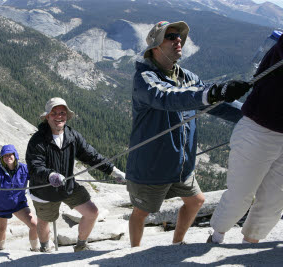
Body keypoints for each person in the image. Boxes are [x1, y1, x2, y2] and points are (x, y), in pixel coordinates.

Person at [125, 21, 251, 247]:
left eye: (179, 36)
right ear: (155, 46)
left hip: (181, 164)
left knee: (196, 201)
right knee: (142, 212)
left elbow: (216, 105)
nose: (178, 40)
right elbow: (168, 97)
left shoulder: (187, 77)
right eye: (171, 37)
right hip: (150, 165)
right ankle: (134, 253)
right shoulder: (144, 79)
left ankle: (177, 244)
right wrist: (212, 92)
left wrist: (254, 115)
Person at [208, 33, 283, 244]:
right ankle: (216, 238)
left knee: (274, 200)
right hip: (259, 129)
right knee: (241, 193)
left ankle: (250, 245)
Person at [26, 97, 126, 252]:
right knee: (45, 220)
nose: (59, 116)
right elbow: (35, 167)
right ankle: (45, 247)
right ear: (47, 117)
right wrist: (50, 175)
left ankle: (81, 245)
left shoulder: (72, 136)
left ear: (67, 116)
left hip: (67, 186)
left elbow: (91, 156)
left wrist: (113, 171)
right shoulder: (37, 140)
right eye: (54, 113)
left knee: (92, 212)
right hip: (44, 190)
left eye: (62, 113)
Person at [0, 144, 39, 251]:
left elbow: (35, 175)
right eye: (5, 156)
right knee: (2, 229)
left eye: (10, 155)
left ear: (15, 155)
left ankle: (35, 249)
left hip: (19, 204)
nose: (8, 158)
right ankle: (1, 249)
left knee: (34, 225)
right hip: (1, 205)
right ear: (2, 158)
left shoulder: (24, 168)